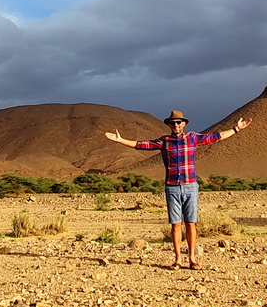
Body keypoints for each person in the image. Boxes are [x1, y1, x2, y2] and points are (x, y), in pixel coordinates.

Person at [104, 110, 251, 269]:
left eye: (178, 122)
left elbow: (216, 137)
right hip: (172, 187)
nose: (175, 125)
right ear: (169, 125)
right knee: (175, 224)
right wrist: (120, 140)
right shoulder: (164, 141)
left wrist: (236, 129)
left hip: (190, 186)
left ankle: (192, 259)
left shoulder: (192, 138)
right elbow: (141, 145)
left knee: (191, 223)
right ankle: (178, 260)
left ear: (184, 123)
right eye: (172, 123)